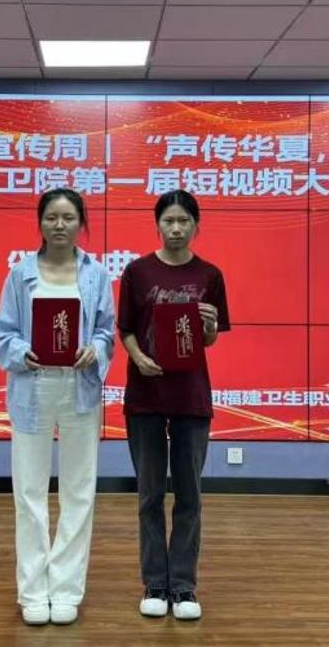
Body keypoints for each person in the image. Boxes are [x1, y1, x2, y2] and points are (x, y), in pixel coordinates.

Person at [0, 188, 115, 626]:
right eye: (51, 217)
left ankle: (66, 589)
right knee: (29, 492)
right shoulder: (20, 274)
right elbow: (1, 335)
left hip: (79, 388)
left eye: (68, 217)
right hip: (33, 385)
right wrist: (21, 352)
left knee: (79, 491)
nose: (60, 225)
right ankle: (32, 591)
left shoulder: (96, 274)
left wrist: (95, 349)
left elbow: (106, 331)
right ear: (40, 223)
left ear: (82, 223)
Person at [117, 189, 230, 621]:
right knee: (149, 494)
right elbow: (127, 328)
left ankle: (183, 586)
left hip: (190, 396)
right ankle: (154, 583)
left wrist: (209, 328)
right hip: (145, 394)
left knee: (189, 495)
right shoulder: (137, 271)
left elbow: (208, 340)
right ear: (158, 225)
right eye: (169, 221)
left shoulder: (210, 275)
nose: (176, 228)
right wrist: (138, 357)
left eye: (184, 221)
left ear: (197, 225)